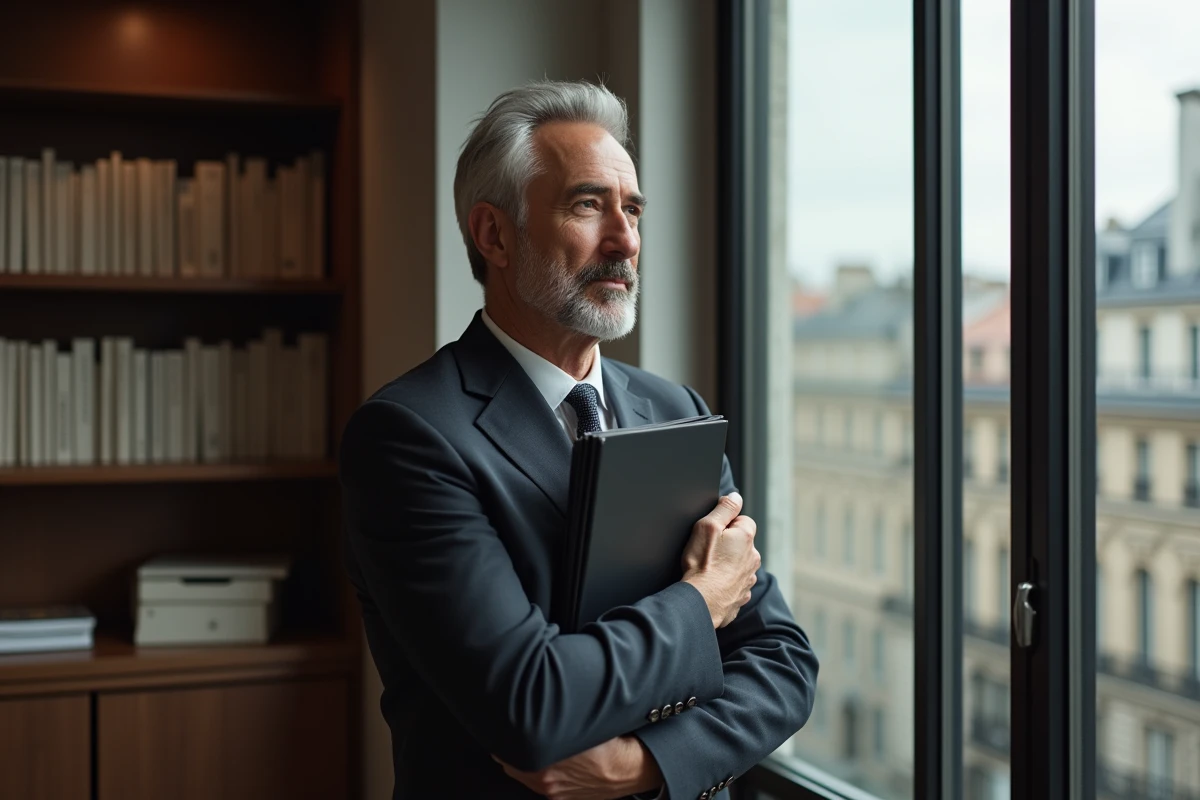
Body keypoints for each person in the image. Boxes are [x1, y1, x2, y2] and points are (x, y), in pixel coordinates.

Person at [340, 80, 818, 800]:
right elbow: (532, 703)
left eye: (632, 210)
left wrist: (645, 765)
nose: (624, 239)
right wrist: (703, 599)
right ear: (493, 234)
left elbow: (782, 660)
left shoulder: (672, 409)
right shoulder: (407, 436)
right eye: (588, 205)